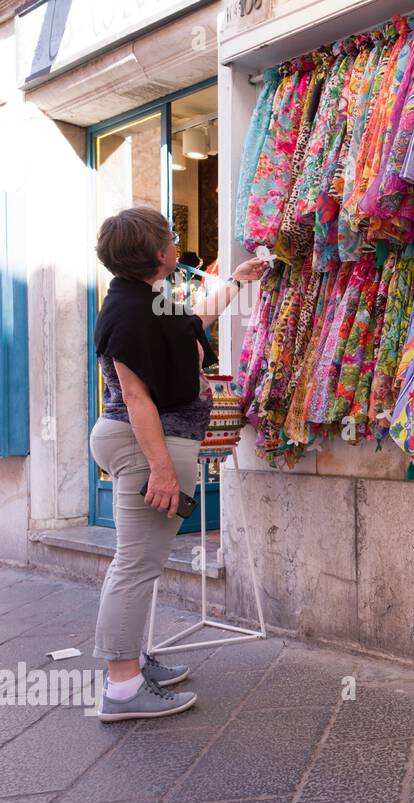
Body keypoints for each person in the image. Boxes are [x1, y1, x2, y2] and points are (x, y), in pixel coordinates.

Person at [90, 206, 268, 722]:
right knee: (135, 566)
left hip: (147, 443)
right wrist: (163, 470)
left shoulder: (143, 300)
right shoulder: (131, 312)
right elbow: (136, 396)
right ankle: (122, 689)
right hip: (146, 445)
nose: (176, 243)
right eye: (170, 237)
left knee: (139, 565)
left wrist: (235, 281)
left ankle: (133, 664)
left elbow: (193, 325)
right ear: (156, 253)